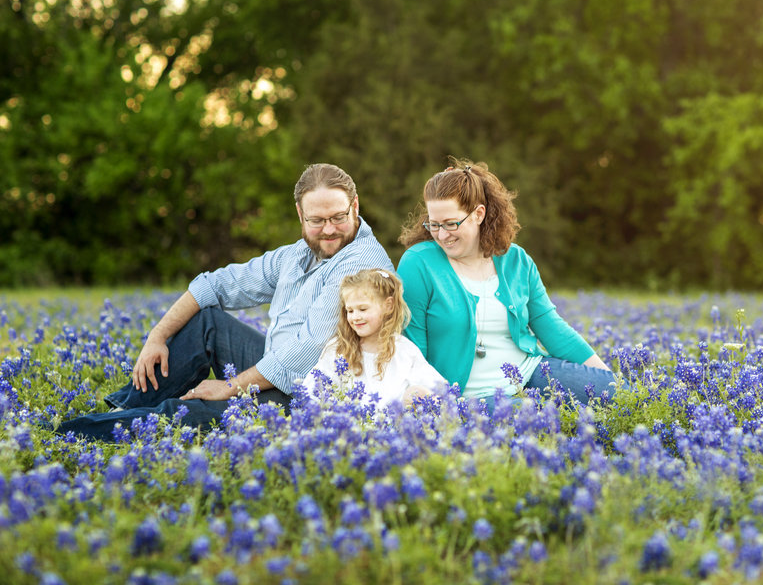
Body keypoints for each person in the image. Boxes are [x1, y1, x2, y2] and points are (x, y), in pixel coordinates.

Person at [56, 163, 393, 440]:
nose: (329, 230)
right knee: (207, 322)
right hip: (274, 371)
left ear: (356, 206)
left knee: (186, 414)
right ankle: (119, 412)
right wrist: (156, 337)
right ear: (299, 215)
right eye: (316, 221)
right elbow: (216, 285)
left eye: (338, 217)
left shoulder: (360, 262)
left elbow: (306, 351)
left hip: (319, 396)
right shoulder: (298, 254)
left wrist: (230, 387)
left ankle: (67, 433)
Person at [396, 159, 617, 411]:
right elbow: (411, 347)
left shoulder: (516, 260)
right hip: (469, 395)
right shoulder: (418, 264)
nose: (442, 235)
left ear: (478, 214)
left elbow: (552, 328)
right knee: (535, 422)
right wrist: (433, 405)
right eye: (434, 225)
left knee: (619, 396)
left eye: (451, 224)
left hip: (529, 374)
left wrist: (607, 379)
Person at [301, 269, 447, 409]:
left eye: (363, 309)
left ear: (388, 306)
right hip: (348, 429)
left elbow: (439, 389)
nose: (355, 317)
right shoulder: (339, 349)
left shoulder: (404, 350)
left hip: (393, 428)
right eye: (350, 310)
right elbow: (312, 393)